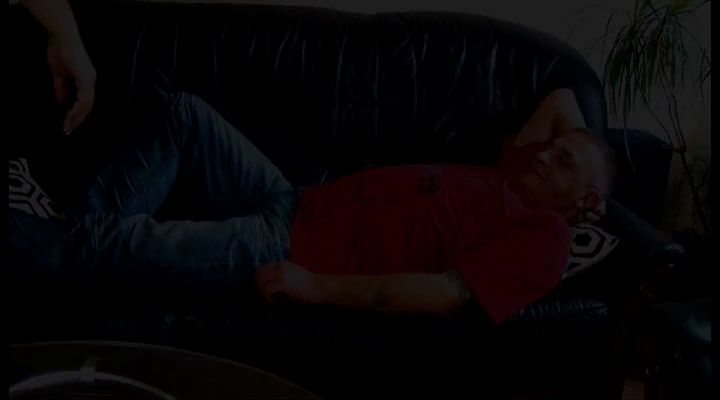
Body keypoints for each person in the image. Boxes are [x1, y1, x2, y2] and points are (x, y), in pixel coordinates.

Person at [9, 84, 614, 325]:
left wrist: (316, 286)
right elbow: (563, 96)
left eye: (563, 162)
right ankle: (76, 246)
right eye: (553, 149)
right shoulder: (516, 175)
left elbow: (446, 293)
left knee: (121, 242)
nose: (546, 156)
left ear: (585, 199)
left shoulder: (545, 235)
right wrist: (582, 159)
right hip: (291, 197)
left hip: (292, 247)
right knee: (180, 112)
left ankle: (53, 245)